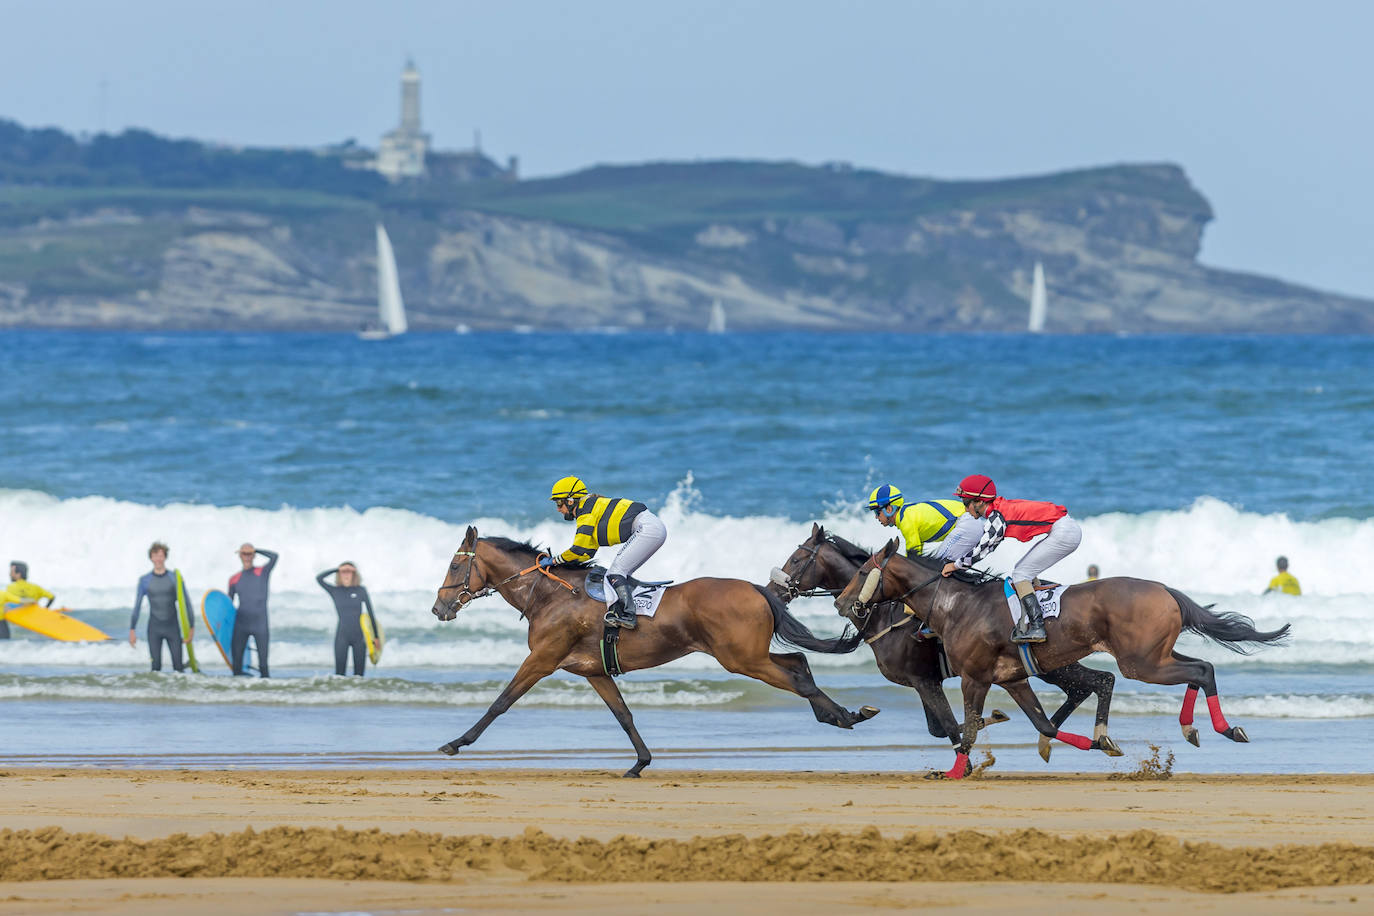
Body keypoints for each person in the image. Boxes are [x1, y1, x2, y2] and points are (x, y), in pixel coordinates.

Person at [940, 474, 1082, 645]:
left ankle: (1038, 626)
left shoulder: (997, 517)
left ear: (979, 502)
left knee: (1021, 574)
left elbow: (981, 551)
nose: (965, 509)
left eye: (966, 503)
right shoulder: (997, 511)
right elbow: (989, 546)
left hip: (1064, 532)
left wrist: (955, 566)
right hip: (1063, 529)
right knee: (1021, 569)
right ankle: (1038, 611)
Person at [543, 476, 666, 630]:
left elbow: (578, 549)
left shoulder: (585, 511)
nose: (558, 509)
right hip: (650, 527)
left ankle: (628, 616)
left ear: (570, 500)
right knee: (618, 572)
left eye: (559, 502)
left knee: (615, 573)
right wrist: (564, 562)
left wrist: (555, 561)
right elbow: (587, 553)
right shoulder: (591, 508)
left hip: (647, 528)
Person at [129, 541, 195, 672]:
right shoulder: (144, 580)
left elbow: (186, 602)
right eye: (155, 555)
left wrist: (191, 627)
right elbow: (137, 606)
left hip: (173, 628)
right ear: (151, 558)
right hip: (154, 629)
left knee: (178, 668)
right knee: (155, 668)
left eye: (161, 555)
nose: (158, 559)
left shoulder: (174, 577)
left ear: (165, 557)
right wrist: (132, 629)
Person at [865, 485, 965, 557]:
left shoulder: (905, 521)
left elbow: (914, 557)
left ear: (889, 510)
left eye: (877, 512)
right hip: (965, 520)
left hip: (964, 522)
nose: (876, 517)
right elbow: (917, 552)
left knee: (941, 564)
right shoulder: (906, 513)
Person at [228, 543, 277, 677]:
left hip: (260, 624)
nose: (247, 556)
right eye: (244, 553)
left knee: (263, 666)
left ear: (254, 555)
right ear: (240, 556)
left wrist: (257, 549)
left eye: (250, 554)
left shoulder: (262, 572)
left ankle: (264, 696)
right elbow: (228, 605)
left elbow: (274, 557)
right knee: (236, 666)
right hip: (241, 624)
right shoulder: (233, 579)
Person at [316, 562, 374, 676]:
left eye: (349, 572)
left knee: (359, 676)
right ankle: (341, 695)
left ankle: (358, 694)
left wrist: (375, 637)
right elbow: (319, 579)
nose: (346, 575)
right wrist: (336, 569)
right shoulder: (335, 591)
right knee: (339, 675)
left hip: (360, 638)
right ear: (339, 574)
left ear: (354, 574)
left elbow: (371, 613)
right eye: (343, 572)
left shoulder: (361, 590)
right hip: (342, 637)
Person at [1, 561, 56, 639]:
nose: (10, 574)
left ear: (18, 574)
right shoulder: (36, 588)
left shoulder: (11, 587)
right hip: (34, 623)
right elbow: (52, 597)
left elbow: (6, 605)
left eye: (11, 572)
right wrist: (45, 609)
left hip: (18, 624)